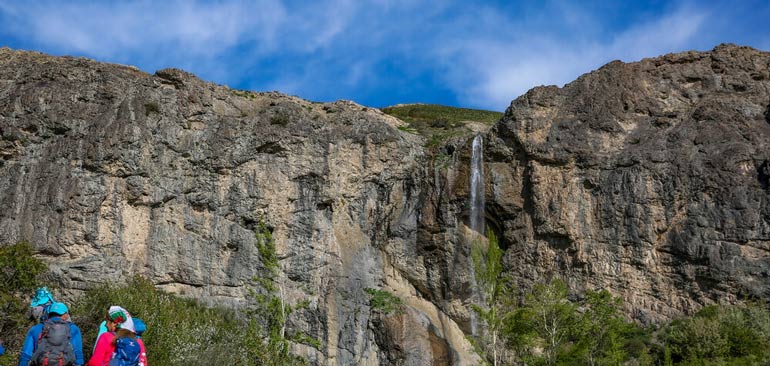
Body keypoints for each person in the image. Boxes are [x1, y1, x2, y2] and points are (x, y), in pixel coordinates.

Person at [19, 302, 84, 366]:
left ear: (49, 314)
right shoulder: (73, 329)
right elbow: (78, 354)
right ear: (66, 315)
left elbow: (26, 354)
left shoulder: (36, 329)